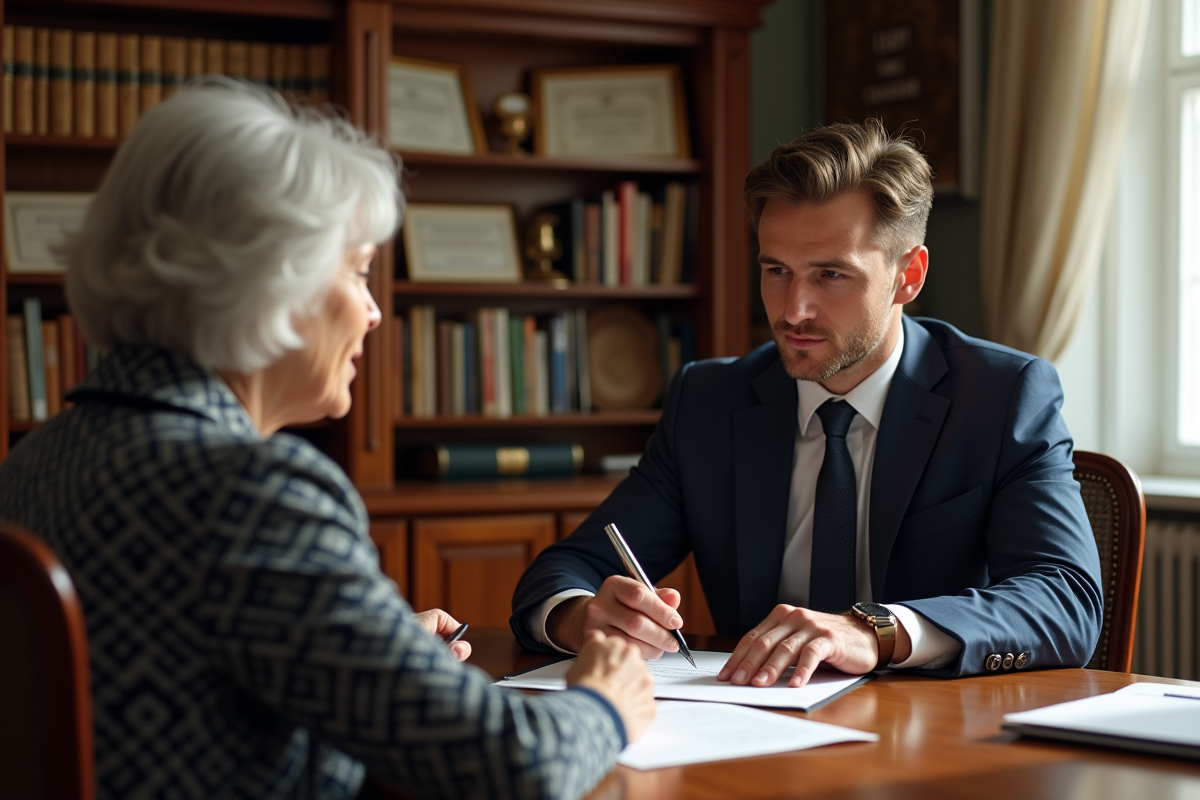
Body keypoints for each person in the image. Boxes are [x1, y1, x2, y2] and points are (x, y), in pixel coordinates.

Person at [0, 81, 654, 800]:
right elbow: (511, 768)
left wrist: (360, 640)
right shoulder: (250, 490)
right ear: (268, 278)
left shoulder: (32, 464)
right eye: (360, 270)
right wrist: (602, 703)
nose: (374, 313)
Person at [511, 120, 1104, 688]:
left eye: (830, 275)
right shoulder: (710, 402)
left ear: (908, 276)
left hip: (930, 737)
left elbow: (1065, 599)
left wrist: (875, 632)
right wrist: (582, 615)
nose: (793, 309)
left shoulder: (1000, 396)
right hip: (748, 727)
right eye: (776, 270)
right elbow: (562, 571)